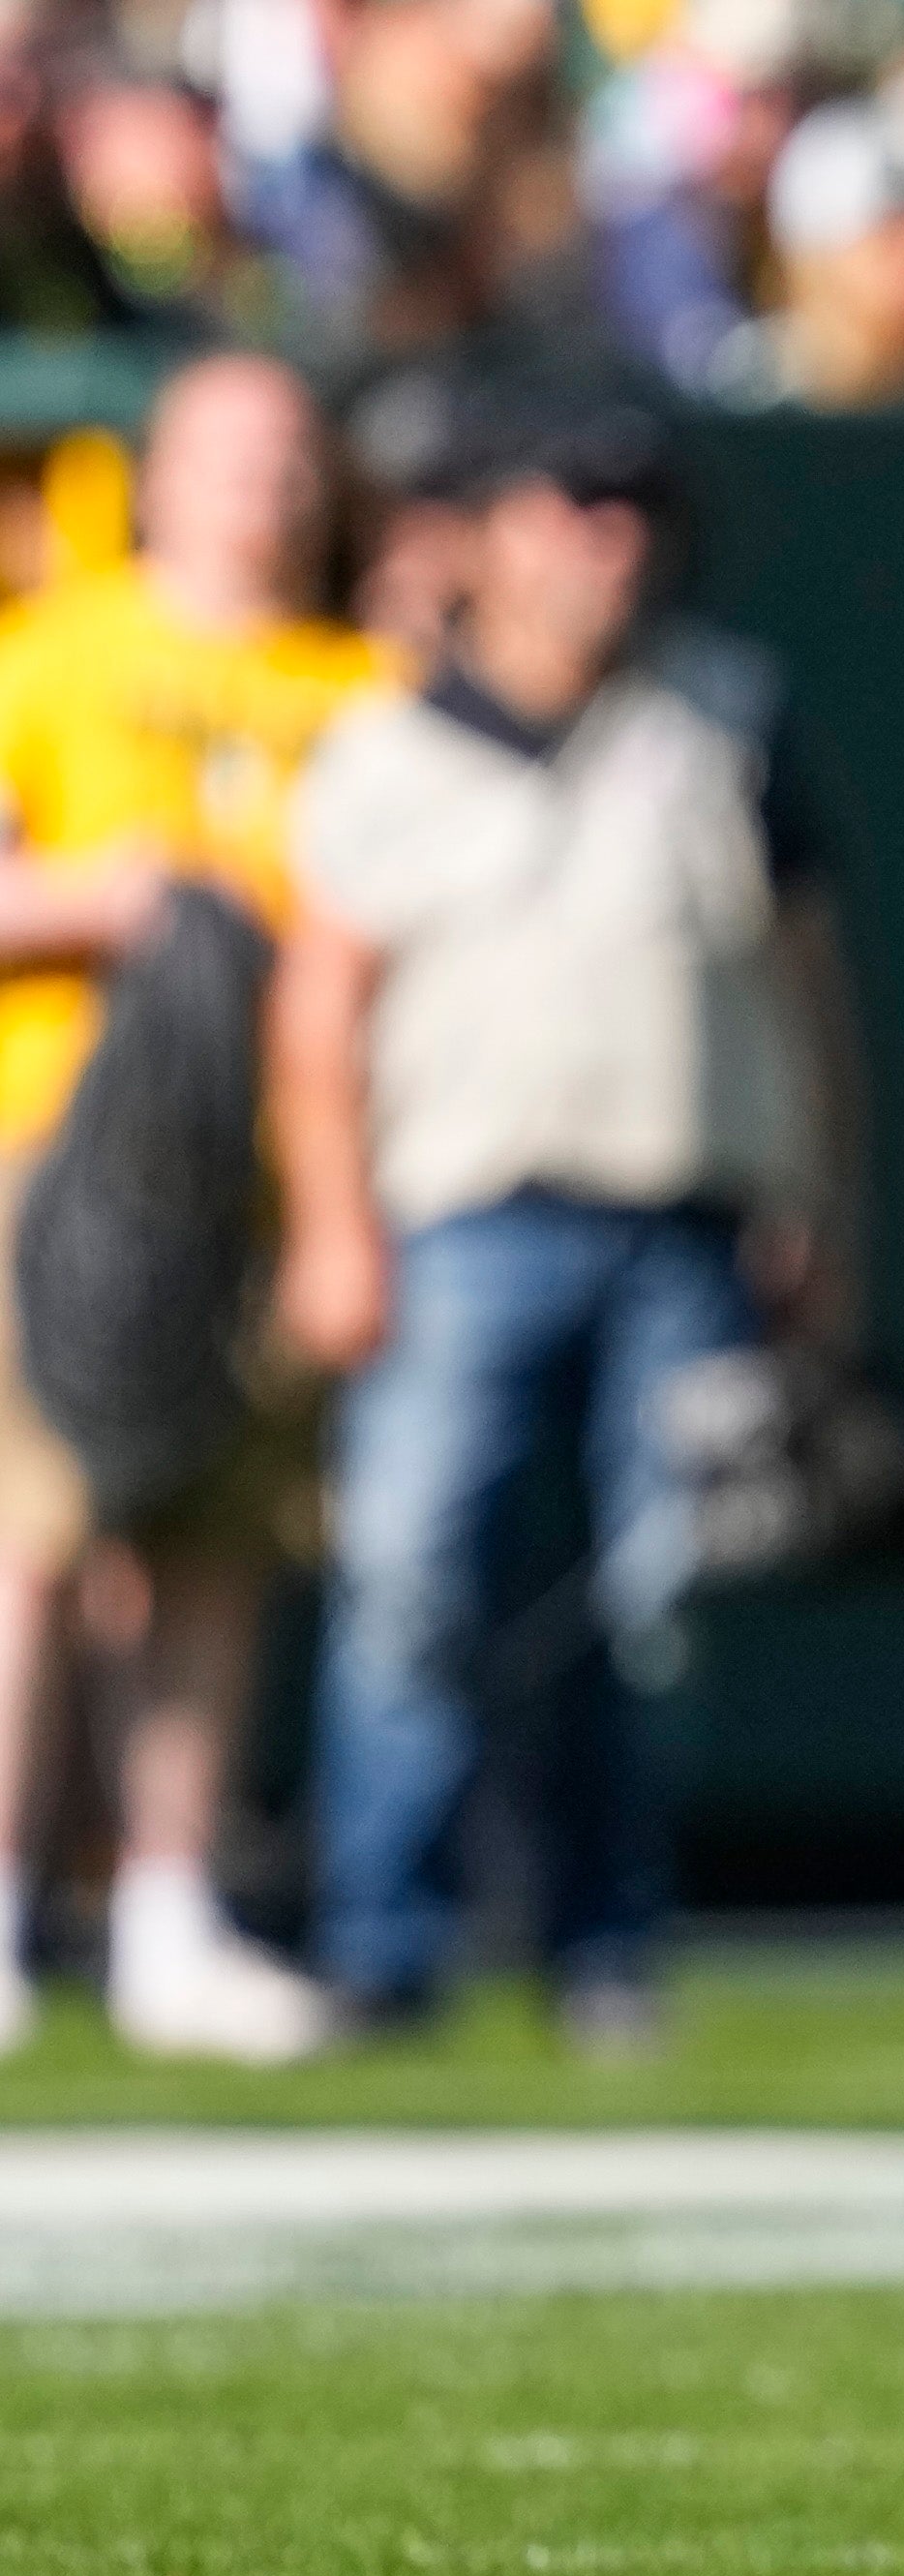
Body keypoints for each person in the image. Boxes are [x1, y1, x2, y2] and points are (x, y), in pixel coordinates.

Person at [268, 398, 857, 2053]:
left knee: (649, 1608)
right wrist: (332, 1225)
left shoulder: (722, 718)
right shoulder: (387, 747)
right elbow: (321, 1019)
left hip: (685, 1217)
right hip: (458, 1218)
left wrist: (820, 1202)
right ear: (484, 531)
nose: (606, 544)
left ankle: (607, 1946)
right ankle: (386, 1939)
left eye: (631, 512)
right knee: (411, 1580)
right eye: (570, 507)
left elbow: (808, 994)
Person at [0, 352, 386, 2065]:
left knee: (219, 1543)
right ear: (152, 476)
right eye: (231, 453)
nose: (266, 486)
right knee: (29, 1539)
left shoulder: (367, 682)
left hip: (273, 1168)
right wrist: (110, 898)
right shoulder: (59, 650)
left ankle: (169, 1908)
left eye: (292, 454)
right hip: (60, 1153)